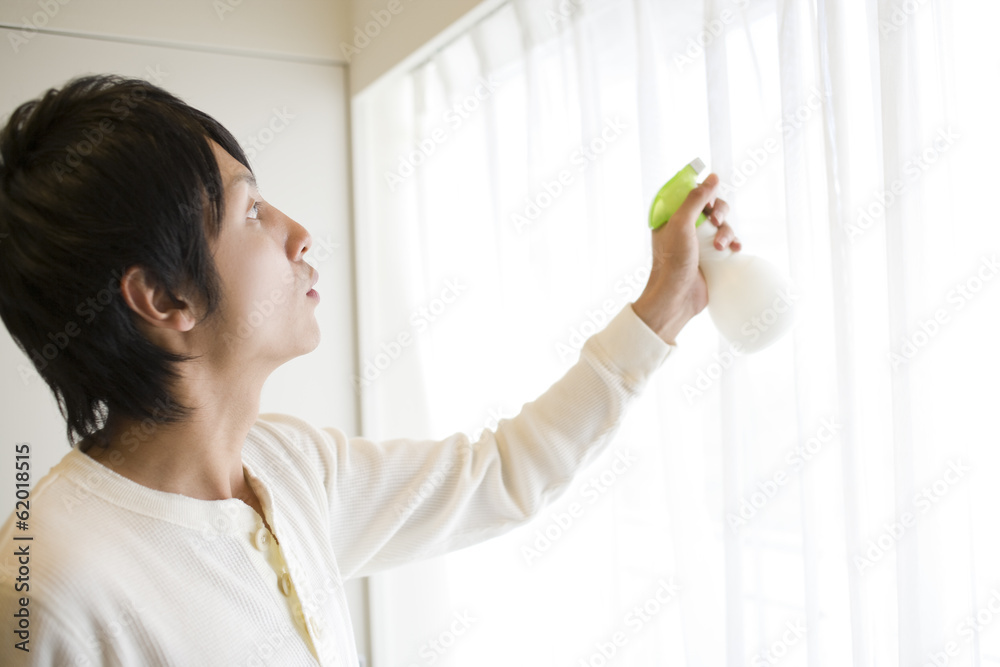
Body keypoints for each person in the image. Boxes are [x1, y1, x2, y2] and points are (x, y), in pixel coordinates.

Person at [0, 74, 741, 666]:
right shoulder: (49, 588)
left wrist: (663, 309)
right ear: (163, 296)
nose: (296, 234)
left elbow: (499, 474)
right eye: (251, 212)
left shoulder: (289, 465)